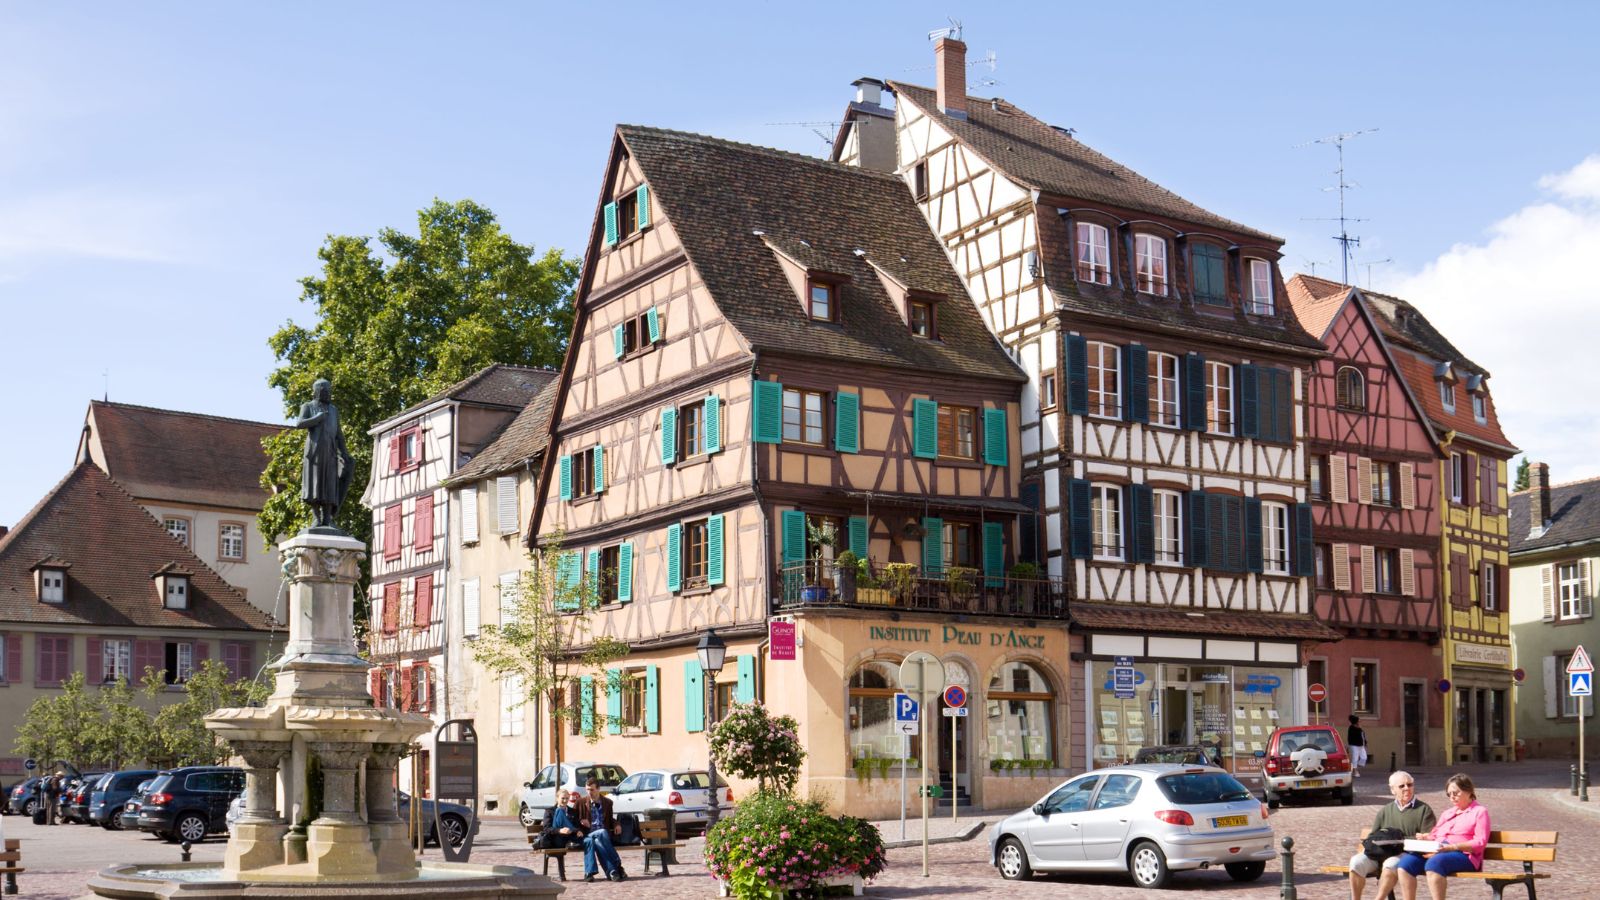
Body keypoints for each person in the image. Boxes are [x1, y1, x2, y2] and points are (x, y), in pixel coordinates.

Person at [1393, 774, 1490, 900]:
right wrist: (1426, 837)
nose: (1452, 797)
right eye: (1449, 794)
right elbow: (1435, 834)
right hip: (1438, 851)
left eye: (1456, 793)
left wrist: (1452, 847)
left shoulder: (1480, 812)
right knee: (1405, 864)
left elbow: (1480, 842)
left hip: (1465, 855)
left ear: (1468, 791)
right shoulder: (1448, 813)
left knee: (1435, 863)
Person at [1347, 771, 1436, 900]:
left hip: (1406, 854)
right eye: (1402, 786)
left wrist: (1401, 842)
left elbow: (1429, 839)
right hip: (1380, 853)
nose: (1407, 788)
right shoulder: (1385, 810)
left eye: (1410, 784)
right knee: (1356, 862)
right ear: (1393, 790)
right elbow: (1373, 836)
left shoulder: (1424, 810)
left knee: (1390, 863)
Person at [575, 777, 626, 882]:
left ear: (598, 789)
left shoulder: (607, 803)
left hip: (602, 838)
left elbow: (610, 818)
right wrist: (580, 821)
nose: (589, 792)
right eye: (587, 789)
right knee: (602, 832)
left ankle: (612, 872)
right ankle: (617, 864)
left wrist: (617, 824)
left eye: (592, 790)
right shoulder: (580, 802)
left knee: (598, 841)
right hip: (587, 835)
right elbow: (572, 819)